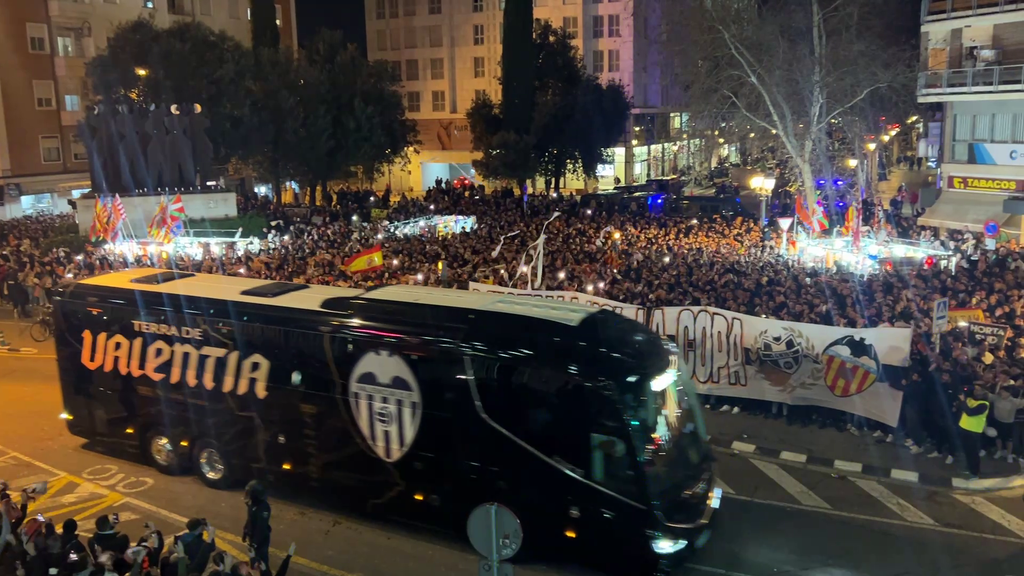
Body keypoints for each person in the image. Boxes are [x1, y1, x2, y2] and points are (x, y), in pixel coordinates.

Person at [957, 385, 991, 479]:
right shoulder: (971, 399)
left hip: (973, 431)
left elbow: (970, 412)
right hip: (964, 428)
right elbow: (961, 405)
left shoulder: (984, 404)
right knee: (967, 451)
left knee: (973, 453)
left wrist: (963, 401)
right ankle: (969, 467)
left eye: (978, 390)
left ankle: (975, 473)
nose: (976, 392)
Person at [242, 481, 271, 568]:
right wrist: (245, 531)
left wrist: (255, 542)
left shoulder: (264, 508)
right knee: (253, 559)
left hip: (261, 540)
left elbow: (261, 527)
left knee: (261, 561)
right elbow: (250, 518)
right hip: (253, 537)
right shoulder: (253, 504)